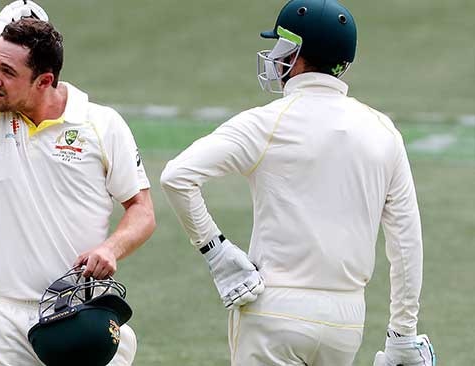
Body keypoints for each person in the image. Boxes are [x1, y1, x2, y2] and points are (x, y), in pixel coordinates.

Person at [160, 0, 435, 365]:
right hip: (345, 320)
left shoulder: (266, 123)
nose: (276, 56)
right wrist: (403, 333)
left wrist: (218, 253)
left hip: (273, 308)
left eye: (283, 47)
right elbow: (406, 242)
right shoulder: (384, 132)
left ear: (298, 54)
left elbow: (177, 177)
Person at [0, 2, 156, 365]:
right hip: (7, 323)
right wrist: (10, 29)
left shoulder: (101, 124)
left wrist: (111, 248)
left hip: (81, 314)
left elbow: (142, 211)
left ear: (44, 80)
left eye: (7, 71)